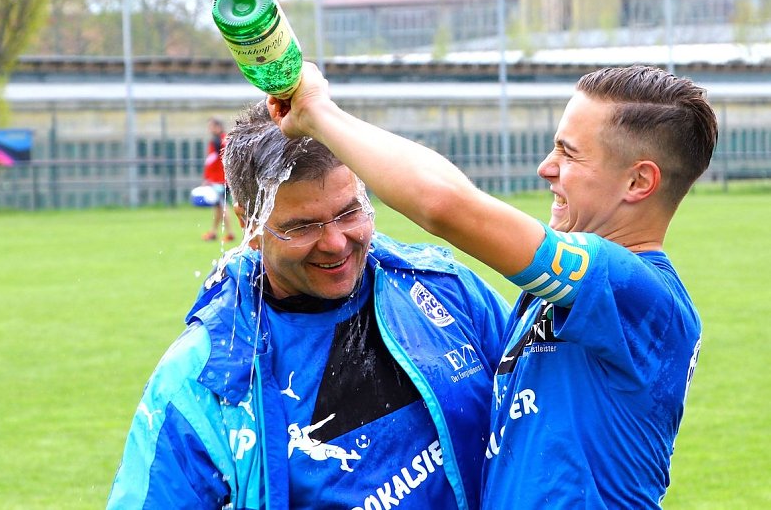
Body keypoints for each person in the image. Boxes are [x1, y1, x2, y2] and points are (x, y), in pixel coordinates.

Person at [268, 63, 718, 508]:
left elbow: (446, 206)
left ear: (638, 181)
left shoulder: (637, 295)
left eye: (570, 153)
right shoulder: (560, 298)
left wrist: (318, 113)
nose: (547, 167)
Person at [106, 101, 511, 509]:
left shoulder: (445, 291)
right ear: (250, 225)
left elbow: (545, 425)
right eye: (301, 227)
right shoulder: (203, 381)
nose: (335, 242)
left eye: (348, 212)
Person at [202, 116, 236, 242]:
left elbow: (216, 161)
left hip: (220, 180)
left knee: (222, 205)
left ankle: (231, 233)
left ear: (218, 127)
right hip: (220, 179)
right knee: (218, 207)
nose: (209, 129)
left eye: (211, 126)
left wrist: (209, 178)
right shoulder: (222, 140)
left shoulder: (219, 141)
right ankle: (213, 232)